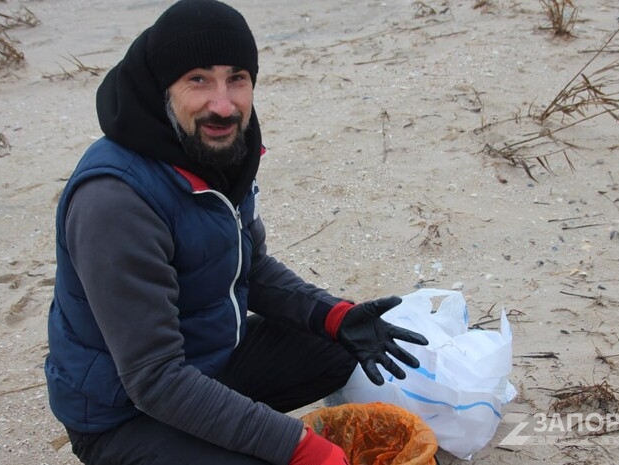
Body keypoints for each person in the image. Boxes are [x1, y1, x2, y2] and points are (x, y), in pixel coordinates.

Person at [43, 1, 429, 464]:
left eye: (237, 79)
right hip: (124, 414)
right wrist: (302, 448)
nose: (223, 104)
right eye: (198, 79)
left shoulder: (218, 149)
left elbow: (252, 268)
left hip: (209, 361)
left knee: (339, 348)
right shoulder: (116, 201)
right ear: (161, 87)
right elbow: (154, 379)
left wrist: (336, 317)